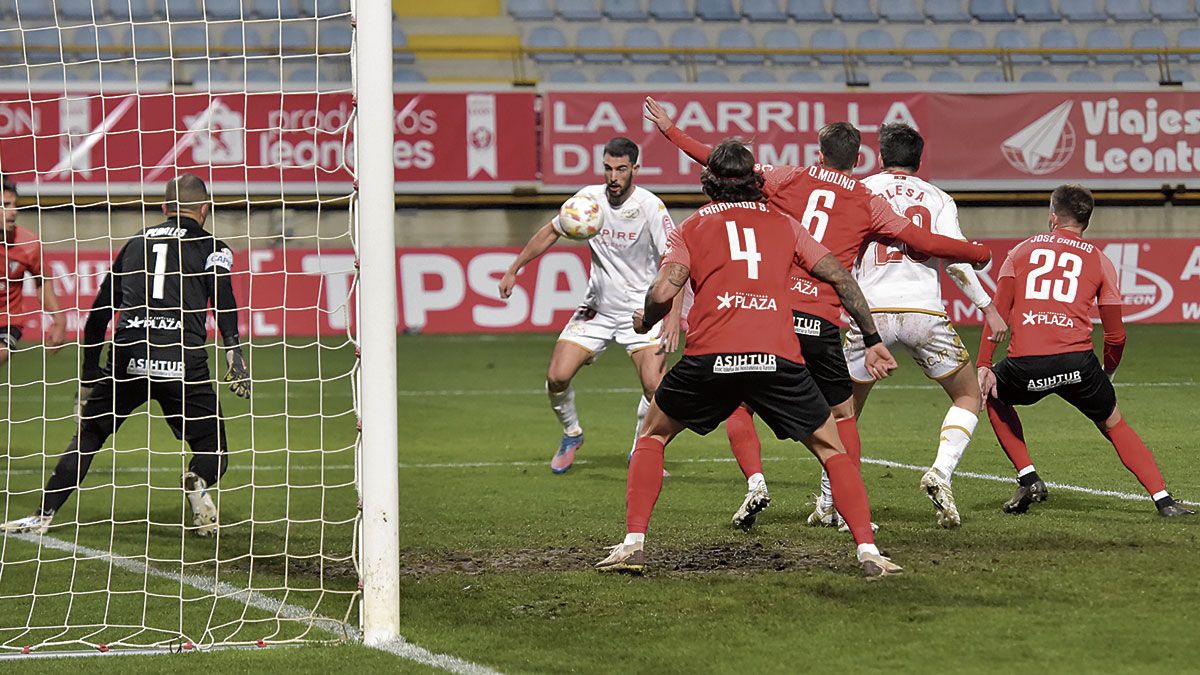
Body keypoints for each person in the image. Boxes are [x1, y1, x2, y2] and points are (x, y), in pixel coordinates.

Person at [643, 98, 991, 530]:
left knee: (739, 400)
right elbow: (925, 241)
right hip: (824, 320)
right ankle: (846, 515)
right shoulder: (866, 199)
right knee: (842, 417)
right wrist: (977, 252)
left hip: (776, 313)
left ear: (819, 153)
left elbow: (724, 166)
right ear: (859, 159)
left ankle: (755, 482)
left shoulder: (789, 176)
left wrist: (671, 131)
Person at [595, 140, 903, 576]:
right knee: (831, 448)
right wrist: (871, 337)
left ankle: (633, 544)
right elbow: (840, 277)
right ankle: (869, 552)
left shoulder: (692, 227)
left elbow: (664, 291)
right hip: (776, 359)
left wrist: (646, 319)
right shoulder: (785, 225)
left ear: (709, 183)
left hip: (710, 357)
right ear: (756, 180)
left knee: (653, 435)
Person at [1, 174, 252, 536]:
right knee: (212, 444)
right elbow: (223, 299)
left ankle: (42, 515)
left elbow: (99, 314)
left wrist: (89, 376)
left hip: (128, 354)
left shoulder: (135, 243)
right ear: (205, 209)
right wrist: (234, 350)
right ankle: (198, 478)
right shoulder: (214, 246)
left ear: (164, 209)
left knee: (89, 435)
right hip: (181, 357)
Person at [977, 184, 1192, 518]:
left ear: (1052, 217)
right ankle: (1163, 500)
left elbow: (997, 314)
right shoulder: (1100, 260)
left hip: (1025, 365)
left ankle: (1028, 476)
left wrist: (984, 363)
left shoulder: (1019, 252)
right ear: (1086, 222)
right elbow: (1116, 335)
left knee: (993, 394)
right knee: (1113, 423)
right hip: (1078, 364)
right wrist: (1106, 374)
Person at [837, 123, 1009, 529]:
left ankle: (833, 504)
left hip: (870, 314)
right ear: (919, 160)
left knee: (843, 413)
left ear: (879, 157)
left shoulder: (858, 191)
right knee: (968, 396)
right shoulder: (937, 198)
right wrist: (988, 307)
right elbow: (954, 259)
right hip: (924, 313)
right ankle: (941, 472)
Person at [499, 137, 681, 474]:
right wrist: (515, 267)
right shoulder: (587, 202)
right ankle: (572, 433)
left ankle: (639, 449)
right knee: (556, 377)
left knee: (656, 387)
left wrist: (671, 316)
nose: (613, 176)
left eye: (621, 169)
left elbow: (676, 260)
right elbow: (551, 231)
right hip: (597, 308)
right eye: (608, 168)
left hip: (641, 311)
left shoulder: (650, 207)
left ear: (635, 169)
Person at [0, 177, 67, 362]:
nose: (13, 212)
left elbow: (42, 281)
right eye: (5, 205)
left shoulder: (28, 243)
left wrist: (59, 320)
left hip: (7, 320)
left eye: (14, 205)